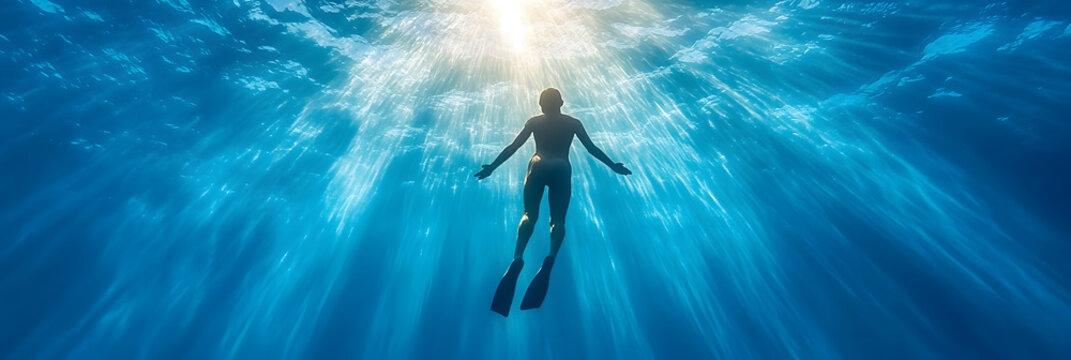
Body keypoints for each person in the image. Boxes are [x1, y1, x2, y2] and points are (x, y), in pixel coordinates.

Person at [476, 88, 631, 316]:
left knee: (529, 214)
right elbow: (591, 148)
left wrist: (492, 167)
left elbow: (514, 147)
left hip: (538, 164)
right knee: (557, 220)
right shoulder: (573, 123)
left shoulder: (534, 122)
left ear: (541, 105)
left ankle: (518, 257)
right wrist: (613, 166)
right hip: (561, 167)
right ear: (562, 102)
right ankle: (550, 257)